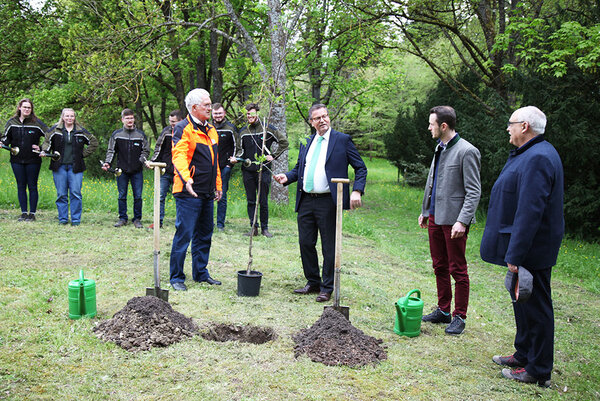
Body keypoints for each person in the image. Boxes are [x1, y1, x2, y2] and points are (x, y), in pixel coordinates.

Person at [480, 106, 563, 387]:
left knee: (536, 307)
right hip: (525, 247)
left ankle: (538, 370)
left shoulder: (539, 157)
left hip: (532, 249)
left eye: (511, 124)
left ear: (525, 126)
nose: (508, 128)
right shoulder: (530, 153)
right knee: (522, 303)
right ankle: (524, 353)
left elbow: (530, 211)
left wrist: (516, 253)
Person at [274, 104, 367, 302]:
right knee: (305, 242)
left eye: (325, 116)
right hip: (306, 200)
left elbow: (361, 168)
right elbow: (300, 168)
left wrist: (357, 190)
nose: (322, 120)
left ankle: (327, 287)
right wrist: (287, 177)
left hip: (328, 201)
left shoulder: (342, 140)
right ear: (311, 122)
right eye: (318, 118)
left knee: (328, 246)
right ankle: (313, 282)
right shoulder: (307, 141)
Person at [418, 105, 481, 335]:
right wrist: (426, 211)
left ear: (443, 126)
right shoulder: (439, 147)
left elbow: (474, 191)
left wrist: (463, 221)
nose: (429, 128)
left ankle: (459, 316)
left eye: (431, 124)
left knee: (458, 269)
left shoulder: (467, 151)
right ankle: (443, 311)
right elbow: (432, 181)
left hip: (454, 222)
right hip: (435, 217)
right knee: (439, 266)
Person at [169, 88, 222, 291]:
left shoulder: (211, 130)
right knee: (184, 234)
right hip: (188, 192)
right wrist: (187, 179)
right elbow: (179, 156)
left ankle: (201, 273)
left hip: (207, 192)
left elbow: (215, 161)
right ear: (194, 108)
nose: (210, 108)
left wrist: (218, 185)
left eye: (210, 104)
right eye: (206, 105)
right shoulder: (183, 128)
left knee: (205, 234)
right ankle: (176, 277)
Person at [234, 103, 288, 237]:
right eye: (247, 114)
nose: (249, 116)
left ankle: (265, 228)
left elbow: (284, 142)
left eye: (252, 114)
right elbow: (240, 150)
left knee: (263, 200)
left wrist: (273, 156)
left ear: (257, 113)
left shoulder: (267, 128)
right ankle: (253, 228)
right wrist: (237, 158)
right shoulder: (243, 131)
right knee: (251, 200)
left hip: (263, 169)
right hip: (247, 170)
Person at [42, 108, 98, 225]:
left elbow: (94, 142)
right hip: (59, 166)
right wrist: (45, 151)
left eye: (72, 116)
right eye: (67, 116)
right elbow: (47, 142)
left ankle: (76, 220)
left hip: (76, 167)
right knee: (61, 194)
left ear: (74, 117)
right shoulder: (55, 130)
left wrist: (83, 154)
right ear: (63, 117)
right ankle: (63, 219)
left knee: (75, 193)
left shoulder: (80, 131)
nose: (69, 118)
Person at [1, 98, 49, 221]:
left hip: (33, 160)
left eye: (29, 107)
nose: (27, 109)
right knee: (21, 185)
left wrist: (42, 148)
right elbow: (6, 138)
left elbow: (50, 135)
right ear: (19, 108)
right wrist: (2, 143)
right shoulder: (12, 122)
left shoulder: (37, 123)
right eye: (25, 107)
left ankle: (32, 214)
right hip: (16, 159)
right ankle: (23, 213)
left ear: (31, 110)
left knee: (32, 186)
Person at [102, 109, 150, 228]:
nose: (130, 120)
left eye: (131, 118)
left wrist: (141, 160)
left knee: (138, 196)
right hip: (121, 171)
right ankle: (122, 218)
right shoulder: (116, 135)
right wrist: (108, 162)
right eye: (127, 118)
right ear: (122, 119)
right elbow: (111, 151)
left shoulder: (140, 135)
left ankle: (137, 219)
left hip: (137, 171)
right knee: (122, 195)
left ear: (134, 119)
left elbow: (146, 150)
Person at [145, 109, 183, 229]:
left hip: (180, 171)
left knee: (180, 198)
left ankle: (181, 223)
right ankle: (158, 222)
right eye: (170, 121)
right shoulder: (166, 132)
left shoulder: (187, 132)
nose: (172, 124)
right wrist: (152, 162)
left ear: (181, 121)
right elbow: (158, 148)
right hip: (165, 170)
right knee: (160, 196)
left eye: (174, 122)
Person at [211, 103, 239, 232]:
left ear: (224, 113)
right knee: (209, 194)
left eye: (220, 113)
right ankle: (208, 222)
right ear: (212, 114)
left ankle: (220, 224)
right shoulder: (208, 127)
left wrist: (230, 163)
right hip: (210, 167)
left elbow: (237, 147)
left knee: (222, 194)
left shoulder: (231, 128)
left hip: (224, 167)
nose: (217, 116)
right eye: (215, 113)